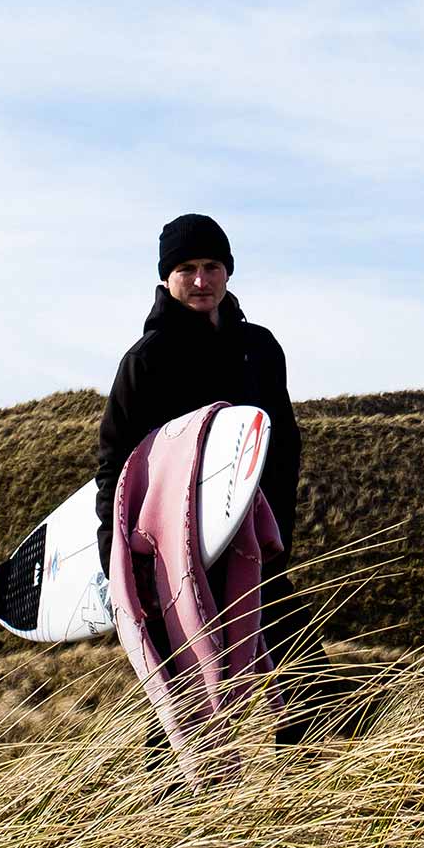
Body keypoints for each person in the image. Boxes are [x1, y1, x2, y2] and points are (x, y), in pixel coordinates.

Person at [95, 213, 338, 761]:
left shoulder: (259, 348)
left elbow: (283, 443)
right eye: (187, 269)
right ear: (166, 279)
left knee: (309, 678)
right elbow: (118, 467)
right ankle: (177, 807)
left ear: (228, 271)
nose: (201, 280)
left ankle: (310, 786)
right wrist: (119, 566)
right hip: (181, 556)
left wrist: (279, 532)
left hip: (251, 541)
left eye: (212, 267)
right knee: (187, 687)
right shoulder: (146, 363)